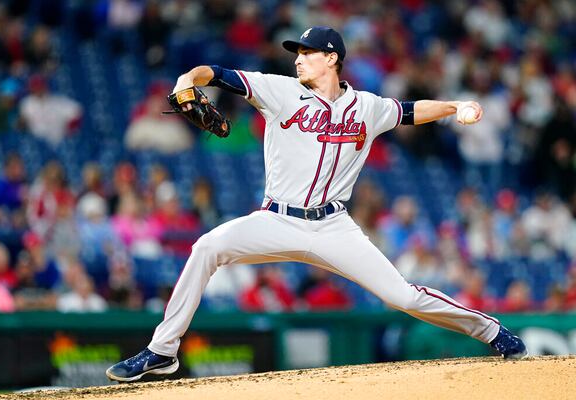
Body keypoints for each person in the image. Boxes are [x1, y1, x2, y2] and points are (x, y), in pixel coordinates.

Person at [106, 26, 527, 382]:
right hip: (276, 219)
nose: (298, 59)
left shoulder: (367, 107)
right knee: (206, 248)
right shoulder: (279, 90)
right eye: (297, 53)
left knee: (404, 297)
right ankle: (163, 350)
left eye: (306, 53)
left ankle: (492, 331)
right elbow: (215, 73)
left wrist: (455, 106)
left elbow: (411, 111)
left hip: (333, 228)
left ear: (332, 58)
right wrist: (186, 80)